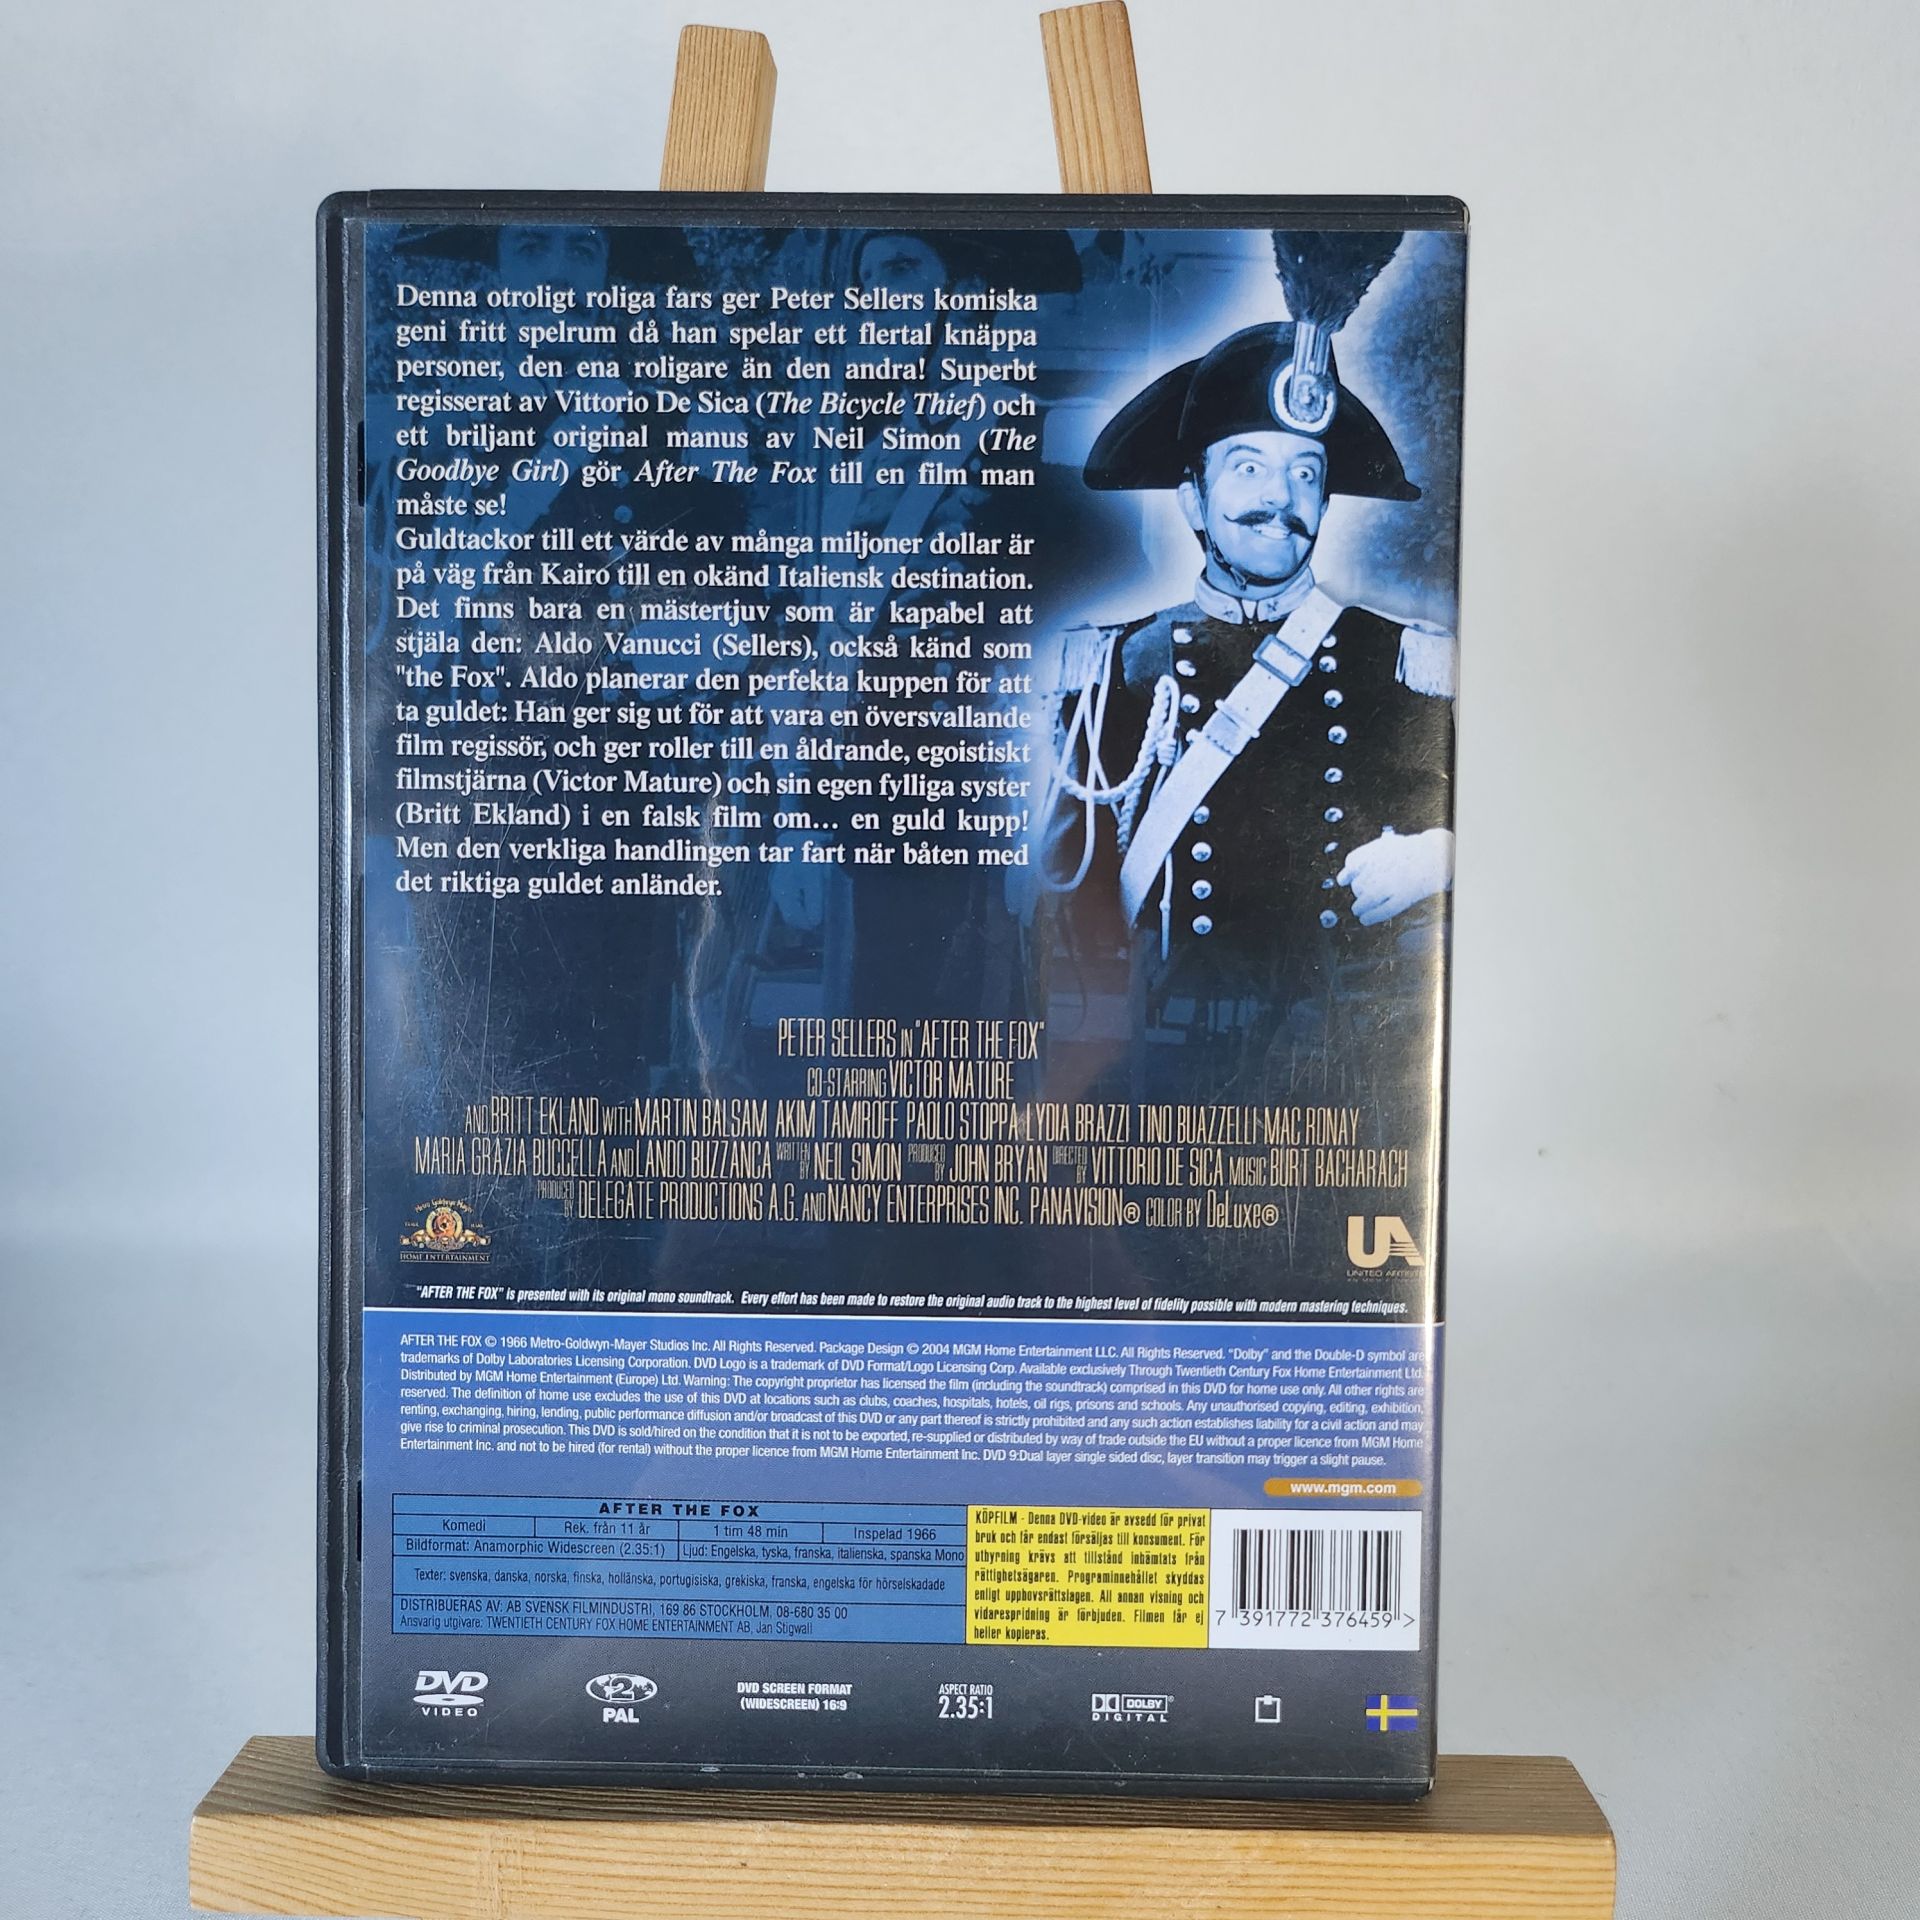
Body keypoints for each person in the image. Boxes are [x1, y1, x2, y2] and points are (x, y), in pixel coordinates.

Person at [1035, 316, 1457, 1101]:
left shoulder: (1402, 663)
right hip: (1172, 1048)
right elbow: (1069, 887)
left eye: (1305, 474)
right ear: (1194, 502)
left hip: (1343, 1053)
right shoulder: (1122, 665)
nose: (1280, 499)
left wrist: (1443, 853)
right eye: (1249, 468)